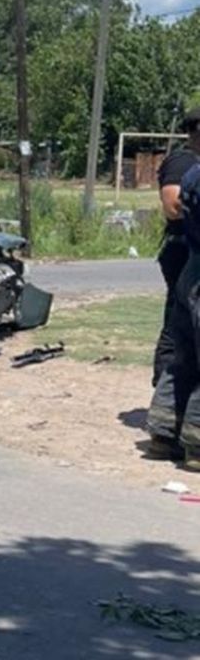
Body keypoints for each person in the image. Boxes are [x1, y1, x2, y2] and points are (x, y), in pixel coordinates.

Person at [143, 109, 200, 461]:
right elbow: (172, 206)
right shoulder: (187, 166)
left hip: (191, 268)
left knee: (184, 356)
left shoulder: (193, 175)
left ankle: (164, 432)